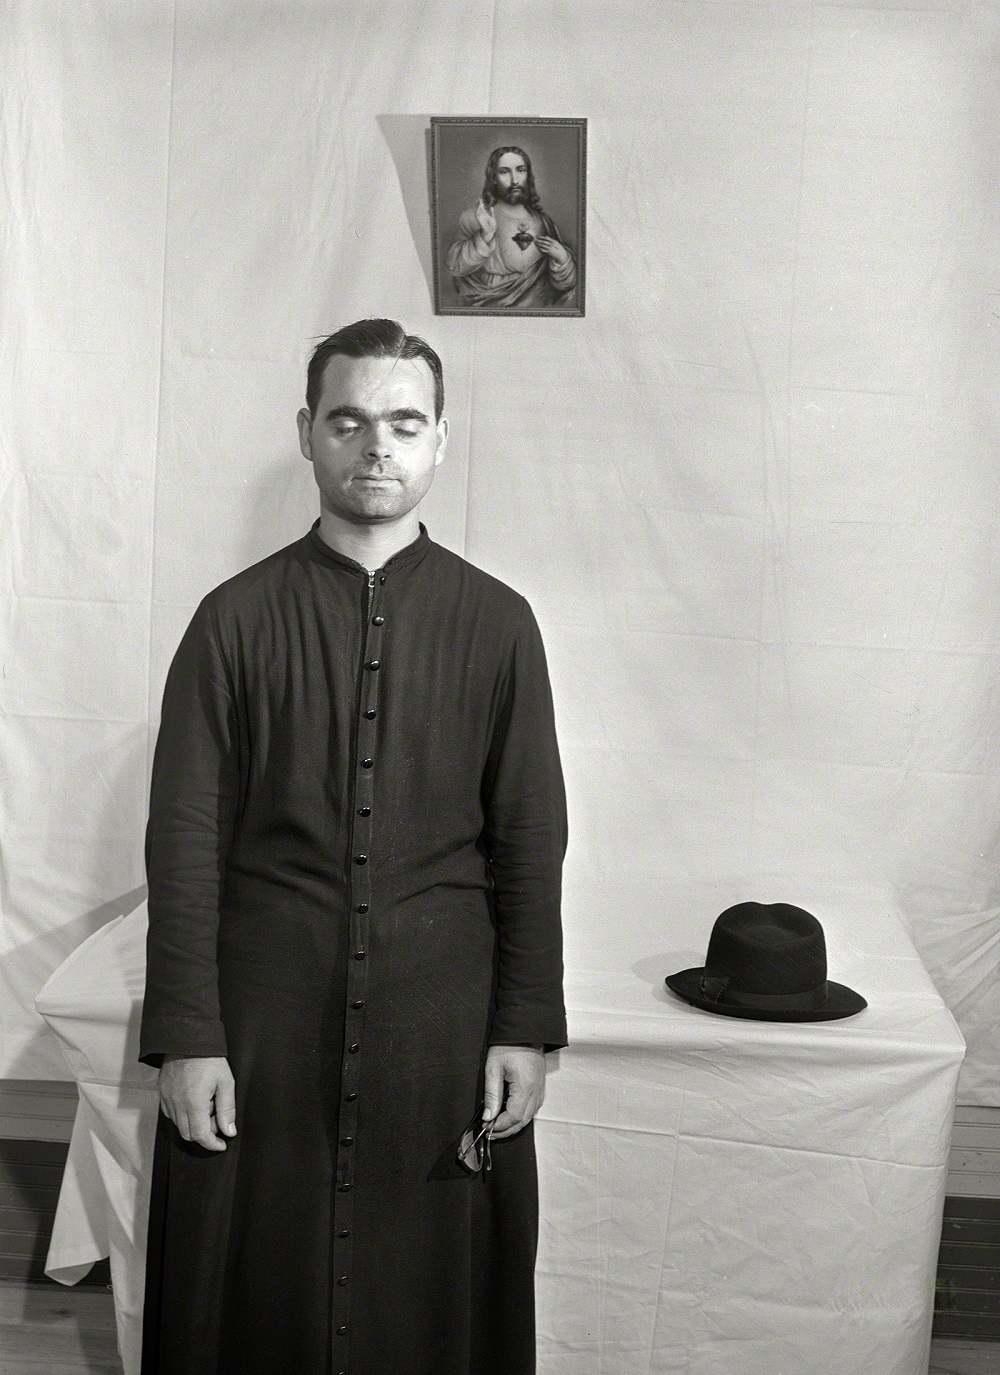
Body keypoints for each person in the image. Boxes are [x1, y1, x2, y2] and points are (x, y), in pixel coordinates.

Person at [139, 318, 567, 1375]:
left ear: (439, 441)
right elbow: (184, 840)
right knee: (249, 1278)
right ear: (308, 434)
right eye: (350, 420)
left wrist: (524, 1023)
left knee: (430, 1289)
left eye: (403, 422)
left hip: (442, 1020)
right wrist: (189, 1032)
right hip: (263, 1019)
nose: (377, 445)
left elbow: (529, 837)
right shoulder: (231, 621)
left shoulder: (500, 622)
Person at [445, 146, 578, 309]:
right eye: (504, 172)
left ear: (528, 175)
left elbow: (564, 285)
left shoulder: (544, 222)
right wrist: (484, 236)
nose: (515, 180)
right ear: (493, 177)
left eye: (521, 170)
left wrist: (563, 259)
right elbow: (454, 267)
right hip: (487, 308)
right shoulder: (475, 218)